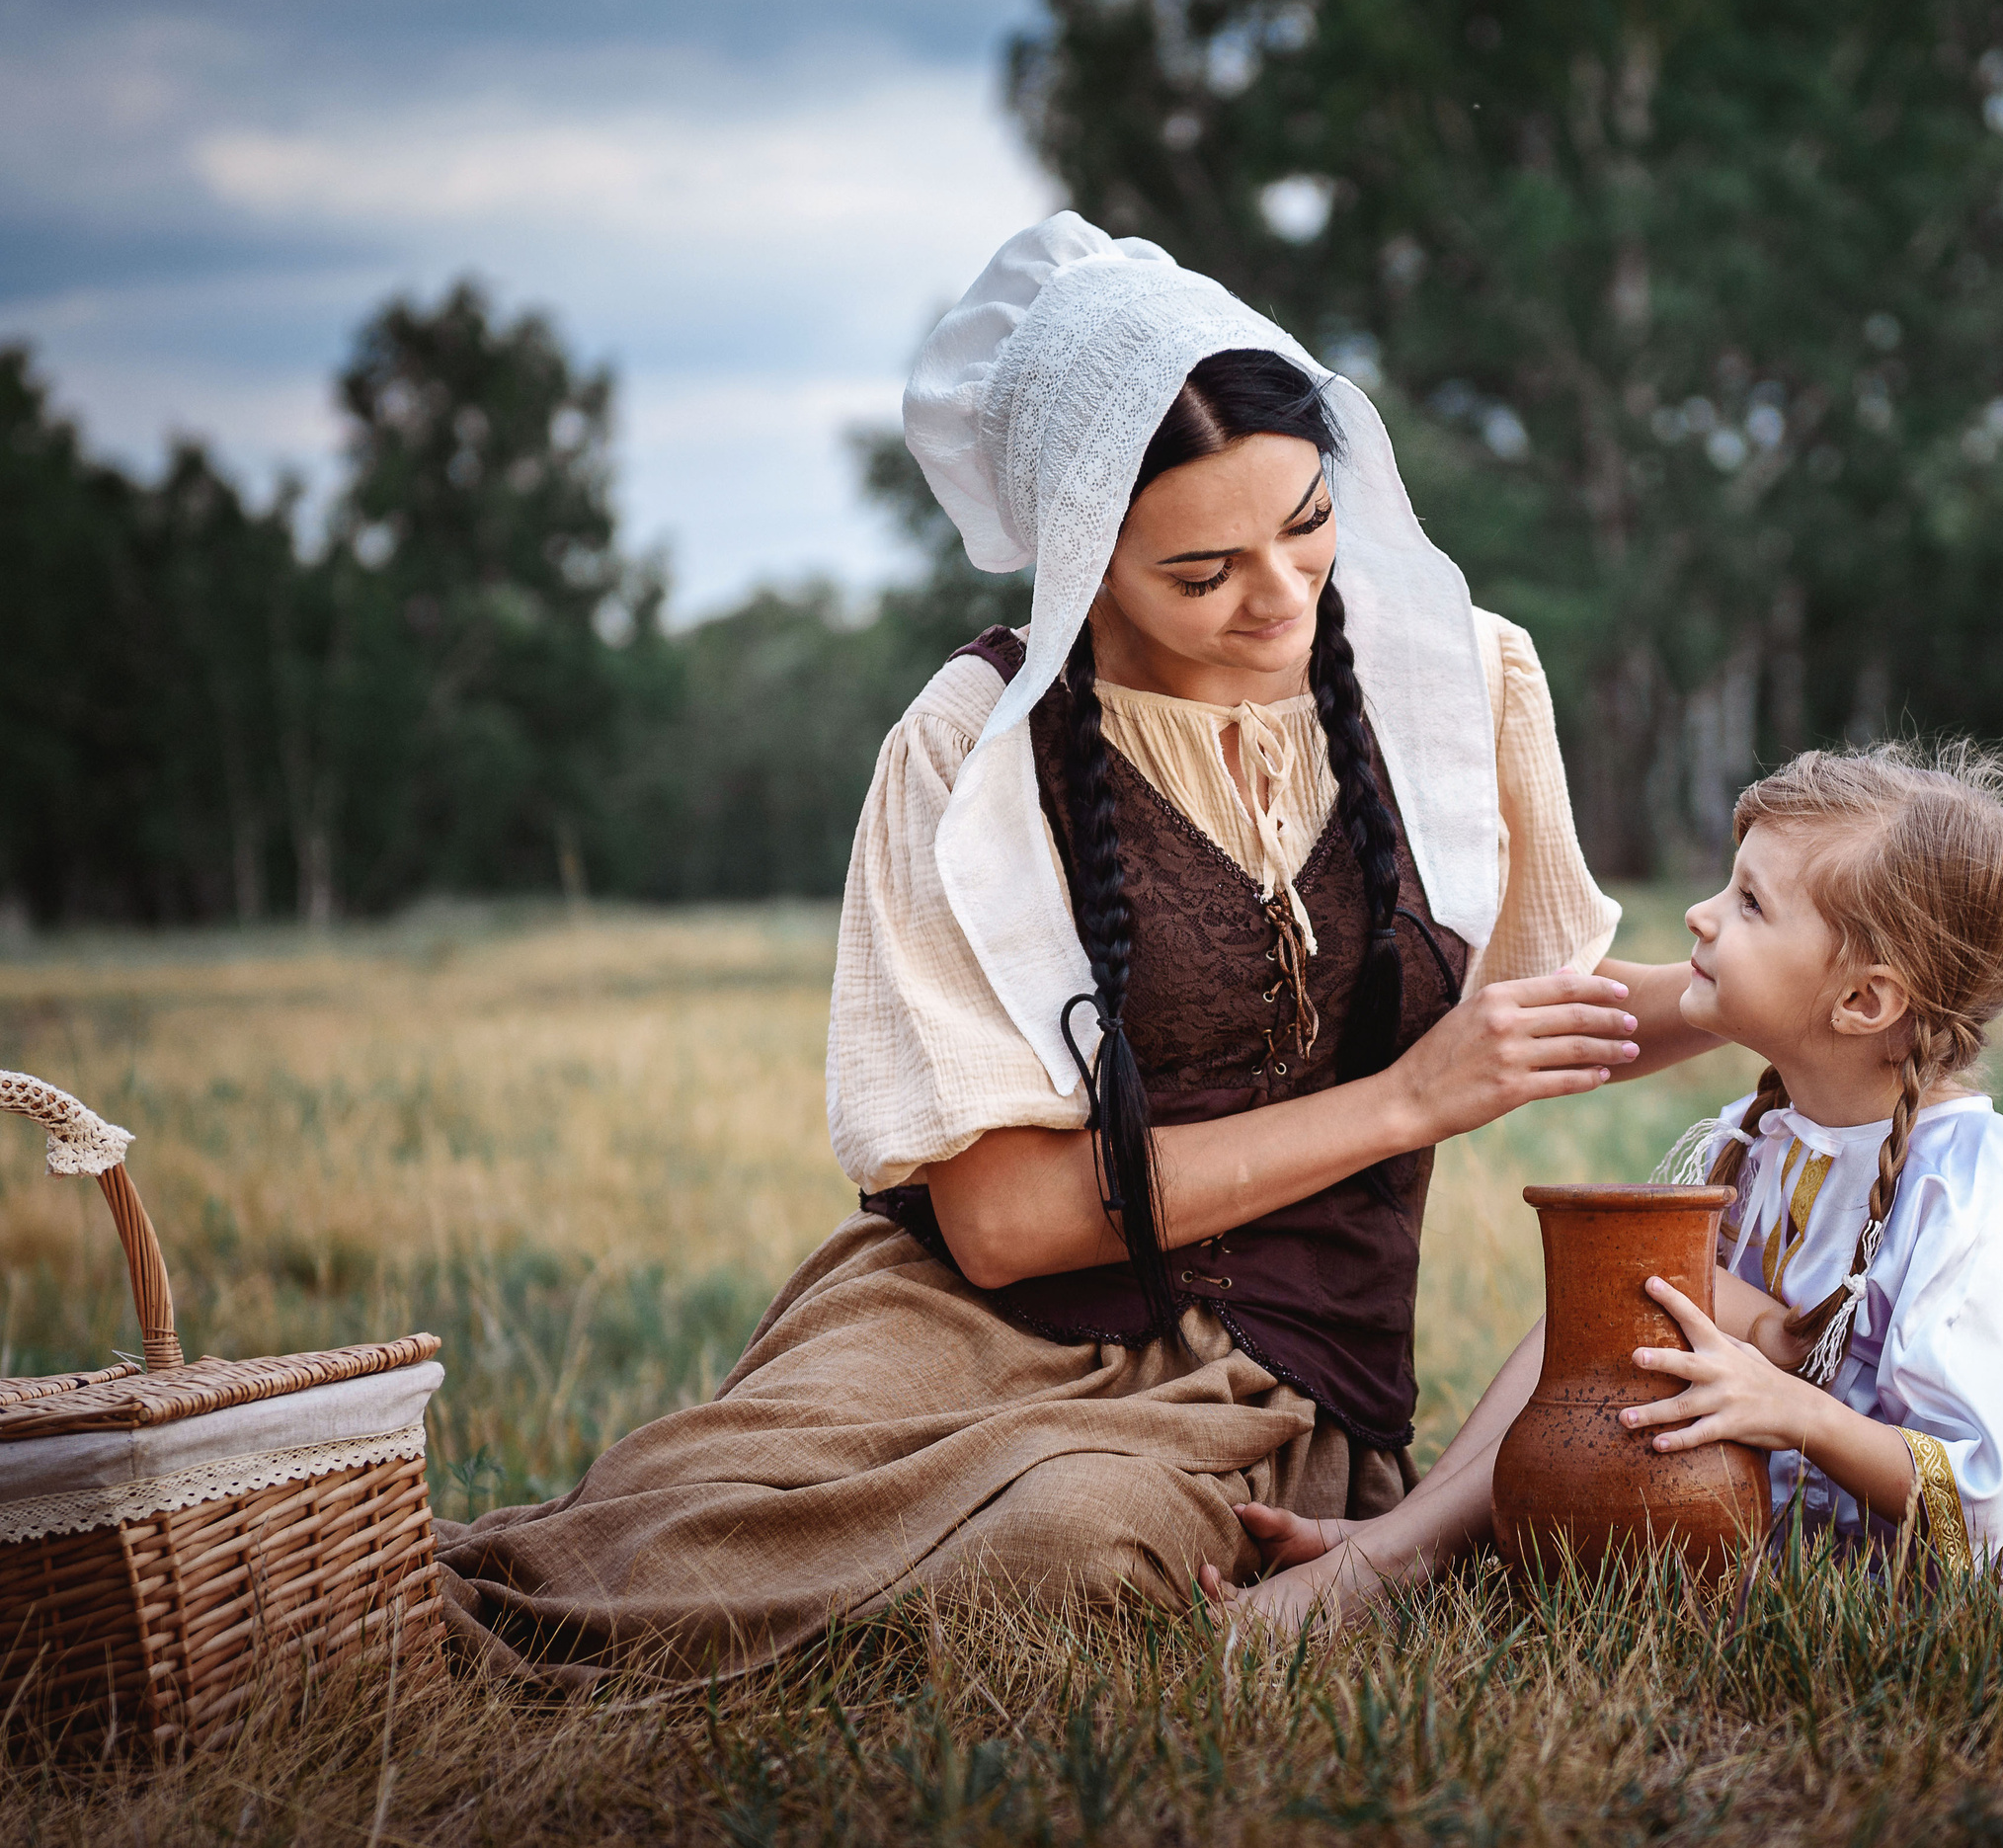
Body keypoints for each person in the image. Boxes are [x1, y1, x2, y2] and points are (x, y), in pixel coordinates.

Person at [431, 212, 1722, 1681]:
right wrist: (1405, 1102)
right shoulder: (967, 748)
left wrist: (1751, 994)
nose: (1283, 595)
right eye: (1204, 571)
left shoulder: (1458, 678)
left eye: (1307, 522)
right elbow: (1001, 1225)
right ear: (1082, 559)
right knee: (660, 1524)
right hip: (961, 1320)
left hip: (1277, 1365)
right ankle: (357, 1611)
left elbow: (1536, 1014)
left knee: (1066, 1554)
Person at [1210, 742, 2003, 1630]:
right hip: (1812, 1545)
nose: (1700, 913)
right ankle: (1402, 1542)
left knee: (1639, 1297)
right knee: (1614, 1294)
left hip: (1988, 1585)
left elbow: (1970, 1502)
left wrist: (1790, 1407)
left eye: (1750, 903)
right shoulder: (1764, 1134)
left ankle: (1392, 1562)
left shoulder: (1979, 1200)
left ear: (1863, 1000)